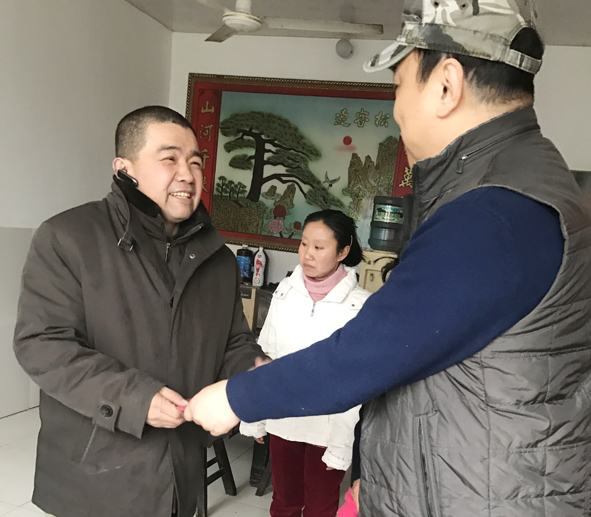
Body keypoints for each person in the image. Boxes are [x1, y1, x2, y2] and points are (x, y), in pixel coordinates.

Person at [184, 1, 591, 515]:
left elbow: (367, 353)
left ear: (446, 85)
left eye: (399, 86)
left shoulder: (494, 213)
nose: (396, 109)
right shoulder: (525, 181)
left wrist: (235, 397)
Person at [13, 106, 264, 517]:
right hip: (96, 476)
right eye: (169, 159)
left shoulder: (218, 258)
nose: (187, 174)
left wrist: (252, 374)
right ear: (124, 169)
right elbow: (41, 344)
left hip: (181, 470)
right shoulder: (69, 237)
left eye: (195, 162)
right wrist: (135, 399)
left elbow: (233, 340)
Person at [241, 210, 370, 517]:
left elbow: (357, 381)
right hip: (284, 418)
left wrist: (342, 444)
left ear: (343, 252)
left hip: (328, 428)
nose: (308, 254)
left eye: (319, 247)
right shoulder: (286, 292)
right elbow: (266, 354)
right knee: (284, 503)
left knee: (319, 508)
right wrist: (254, 416)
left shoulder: (361, 306)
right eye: (304, 244)